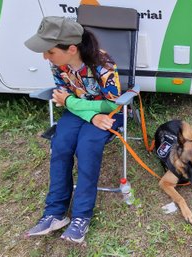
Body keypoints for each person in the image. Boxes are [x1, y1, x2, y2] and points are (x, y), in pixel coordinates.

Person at [23, 16, 123, 243]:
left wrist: (75, 104)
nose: (45, 57)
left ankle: (81, 217)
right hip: (82, 114)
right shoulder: (59, 64)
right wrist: (89, 112)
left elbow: (113, 104)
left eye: (49, 52)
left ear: (70, 49)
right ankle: (55, 213)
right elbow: (61, 97)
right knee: (60, 145)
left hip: (107, 116)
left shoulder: (104, 65)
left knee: (87, 148)